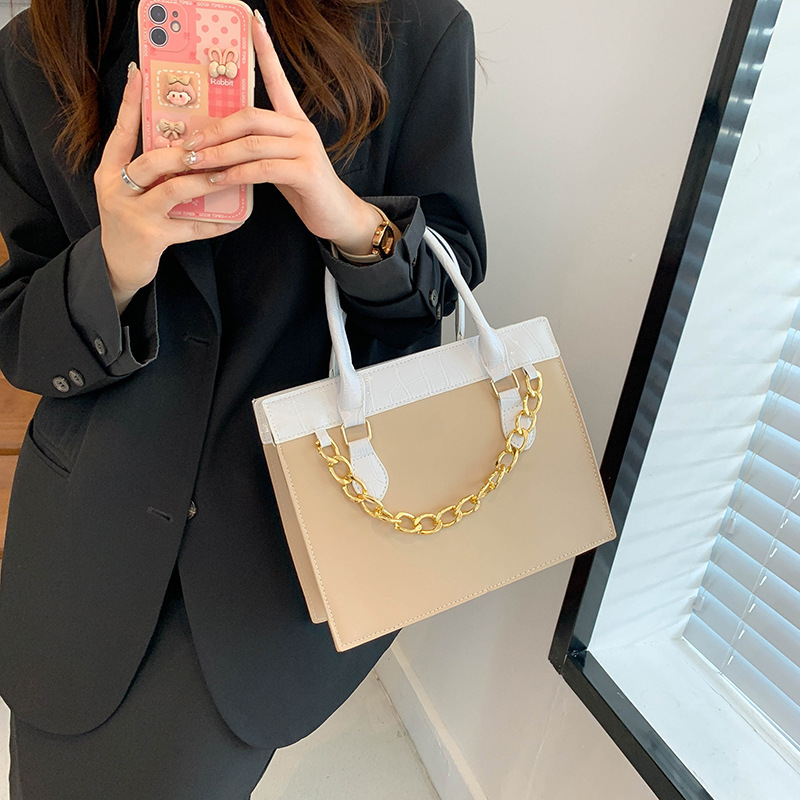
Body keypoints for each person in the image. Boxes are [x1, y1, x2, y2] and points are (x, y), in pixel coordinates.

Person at [0, 0, 485, 796]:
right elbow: (21, 326)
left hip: (283, 539)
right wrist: (110, 267)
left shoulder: (411, 29)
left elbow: (447, 279)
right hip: (91, 535)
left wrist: (344, 216)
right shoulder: (38, 49)